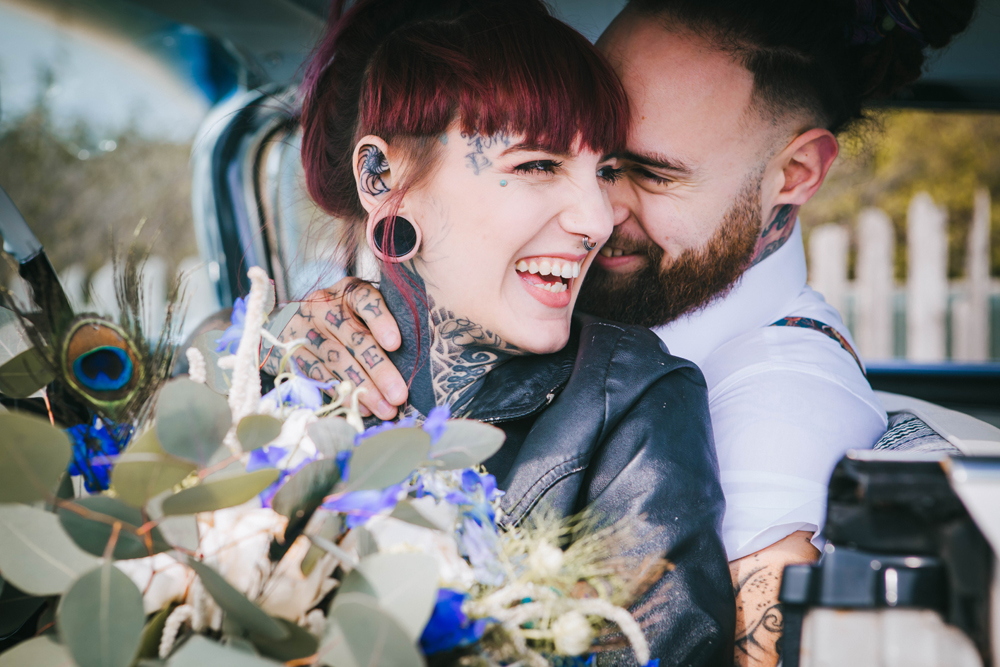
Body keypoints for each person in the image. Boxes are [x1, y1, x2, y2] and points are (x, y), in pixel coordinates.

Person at [274, 0, 976, 665]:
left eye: (647, 172)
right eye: (562, 159)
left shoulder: (776, 404)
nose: (597, 212)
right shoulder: (540, 318)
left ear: (794, 173)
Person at [272, 0, 735, 664]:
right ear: (383, 177)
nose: (598, 219)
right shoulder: (284, 371)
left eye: (603, 170)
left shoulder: (636, 400)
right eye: (538, 164)